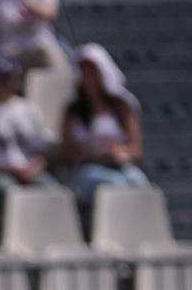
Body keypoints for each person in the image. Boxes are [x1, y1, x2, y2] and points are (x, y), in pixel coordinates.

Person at [56, 43, 145, 204]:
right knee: (115, 185)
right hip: (87, 168)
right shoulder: (72, 110)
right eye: (83, 72)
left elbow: (135, 149)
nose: (87, 77)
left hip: (119, 166)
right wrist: (93, 152)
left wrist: (118, 152)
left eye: (92, 71)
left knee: (138, 182)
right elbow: (66, 152)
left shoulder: (122, 106)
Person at [0, 59, 53, 201]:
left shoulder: (28, 109)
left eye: (8, 78)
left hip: (30, 172)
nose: (5, 83)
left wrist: (31, 171)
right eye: (0, 78)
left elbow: (40, 153)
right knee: (7, 190)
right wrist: (9, 171)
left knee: (52, 190)